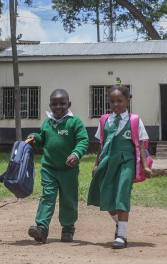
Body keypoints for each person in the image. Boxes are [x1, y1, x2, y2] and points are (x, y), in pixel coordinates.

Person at [87, 84, 152, 249]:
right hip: (108, 160)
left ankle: (122, 236)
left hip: (126, 161)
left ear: (127, 101)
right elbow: (101, 144)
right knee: (106, 196)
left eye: (119, 101)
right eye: (112, 101)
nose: (116, 104)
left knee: (122, 195)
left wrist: (145, 166)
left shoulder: (135, 120)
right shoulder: (104, 120)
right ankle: (119, 224)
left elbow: (142, 146)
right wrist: (96, 164)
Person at [26, 89, 89, 244]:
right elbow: (43, 140)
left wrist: (76, 154)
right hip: (49, 168)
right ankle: (41, 227)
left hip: (69, 170)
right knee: (47, 196)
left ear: (69, 104)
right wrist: (35, 138)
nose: (58, 107)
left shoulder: (75, 122)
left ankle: (68, 228)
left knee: (68, 199)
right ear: (50, 105)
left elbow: (83, 141)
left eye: (62, 103)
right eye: (54, 104)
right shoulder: (48, 122)